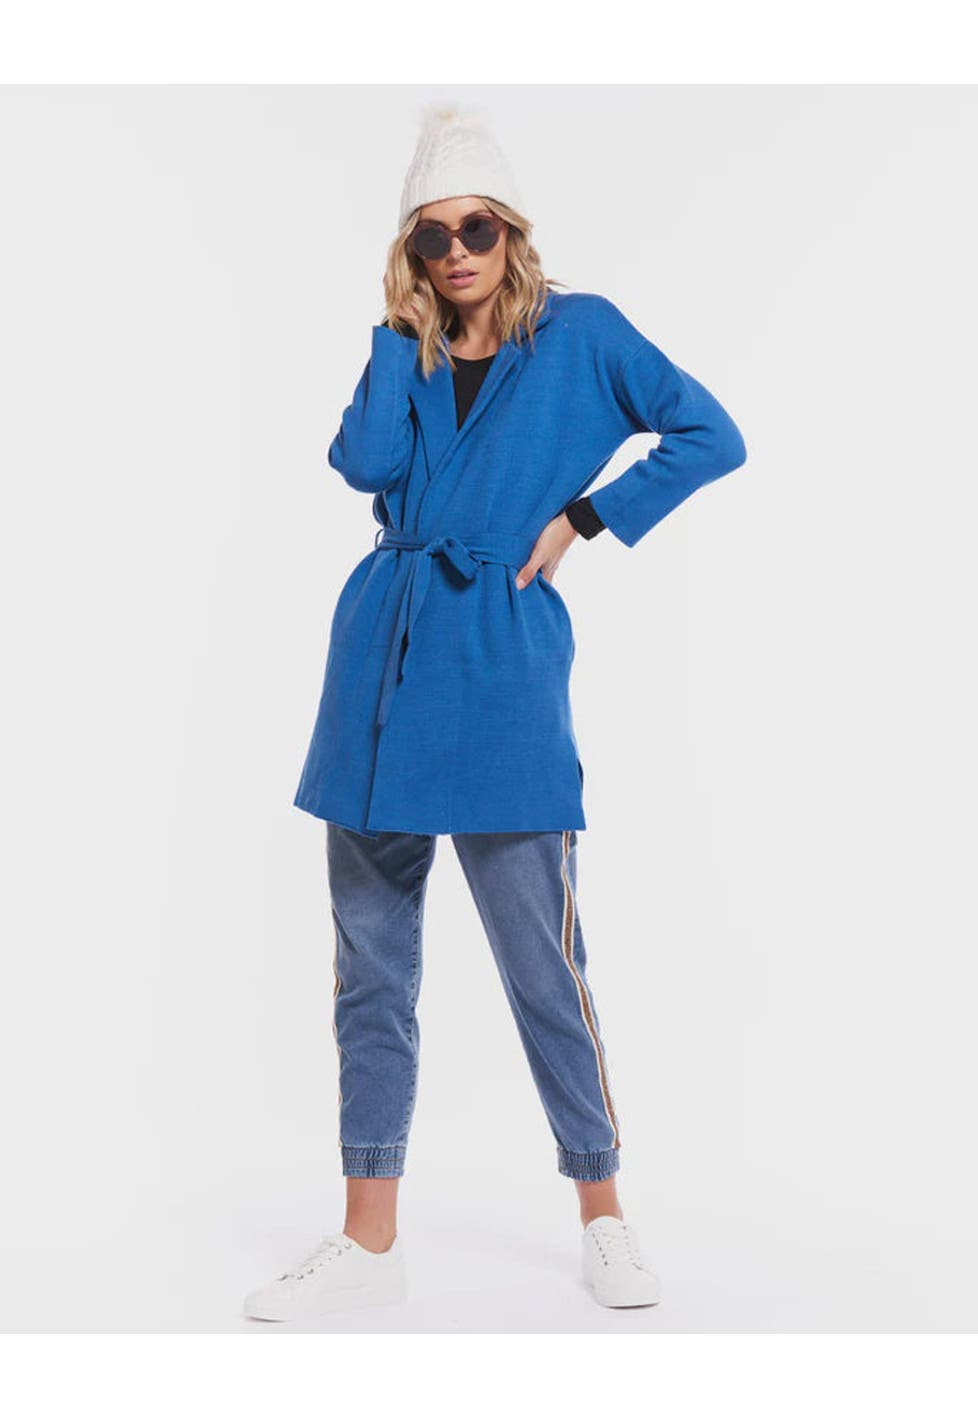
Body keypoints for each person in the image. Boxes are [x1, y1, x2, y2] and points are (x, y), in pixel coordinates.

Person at [244, 105, 747, 1323]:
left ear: (511, 231)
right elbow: (365, 467)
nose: (457, 252)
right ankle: (369, 1242)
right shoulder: (408, 348)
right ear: (409, 254)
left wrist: (585, 518)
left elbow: (710, 433)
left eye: (476, 229)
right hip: (379, 668)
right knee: (370, 973)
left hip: (500, 666)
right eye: (431, 237)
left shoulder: (581, 334)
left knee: (544, 964)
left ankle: (603, 1214)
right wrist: (393, 333)